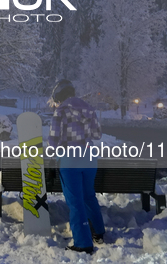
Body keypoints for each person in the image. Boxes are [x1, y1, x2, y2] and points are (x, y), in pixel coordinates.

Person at [49, 79, 105, 255]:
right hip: (89, 159)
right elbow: (97, 135)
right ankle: (98, 232)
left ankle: (83, 243)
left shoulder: (61, 111)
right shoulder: (88, 109)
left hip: (69, 160)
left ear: (59, 97)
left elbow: (53, 140)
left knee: (75, 202)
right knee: (89, 196)